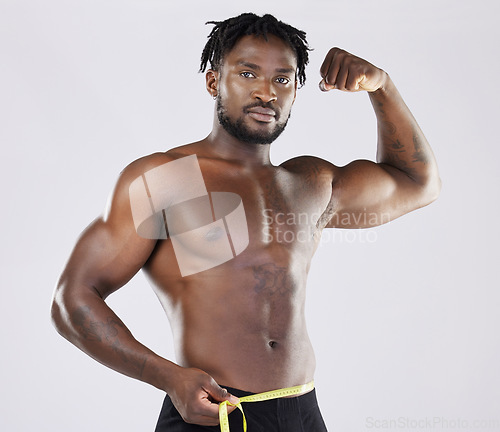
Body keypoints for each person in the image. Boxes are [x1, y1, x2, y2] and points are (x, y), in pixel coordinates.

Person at [51, 12, 441, 432]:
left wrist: (382, 87)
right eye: (248, 72)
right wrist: (168, 377)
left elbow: (417, 184)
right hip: (213, 411)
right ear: (214, 81)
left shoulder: (307, 183)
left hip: (302, 412)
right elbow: (73, 299)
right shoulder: (167, 178)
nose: (266, 92)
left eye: (282, 79)